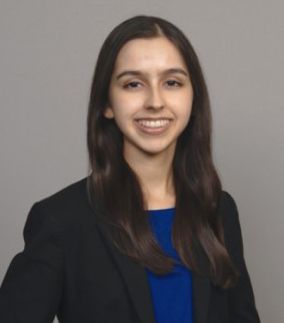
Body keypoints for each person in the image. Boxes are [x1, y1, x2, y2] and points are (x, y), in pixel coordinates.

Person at [0, 15, 260, 323]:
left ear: (193, 98)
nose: (155, 101)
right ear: (107, 103)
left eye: (172, 82)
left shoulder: (218, 209)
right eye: (133, 84)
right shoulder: (61, 221)